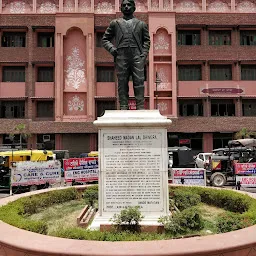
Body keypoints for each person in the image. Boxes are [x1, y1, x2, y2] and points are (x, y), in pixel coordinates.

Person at [102, 0, 150, 110]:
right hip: (121, 55)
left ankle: (140, 106)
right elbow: (105, 39)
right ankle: (123, 106)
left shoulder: (141, 24)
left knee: (139, 81)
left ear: (134, 8)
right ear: (121, 8)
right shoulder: (115, 23)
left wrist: (144, 55)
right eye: (124, 5)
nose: (126, 7)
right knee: (122, 82)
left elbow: (147, 41)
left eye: (129, 5)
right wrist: (112, 49)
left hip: (137, 55)